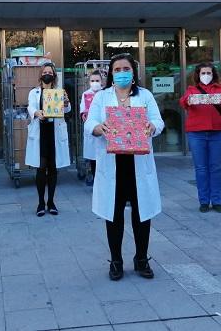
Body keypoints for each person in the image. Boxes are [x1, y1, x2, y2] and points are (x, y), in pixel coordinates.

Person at [85, 53, 164, 281]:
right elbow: (90, 122)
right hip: (113, 163)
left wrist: (152, 126)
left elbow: (158, 121)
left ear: (133, 72)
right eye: (117, 69)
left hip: (138, 161)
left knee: (142, 213)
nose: (121, 73)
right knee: (114, 213)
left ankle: (141, 258)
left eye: (125, 69)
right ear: (111, 73)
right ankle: (116, 260)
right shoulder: (102, 97)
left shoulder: (145, 95)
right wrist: (99, 127)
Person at [179, 62, 221, 213]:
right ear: (198, 75)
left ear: (213, 74)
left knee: (216, 168)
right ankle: (204, 201)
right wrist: (188, 100)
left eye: (208, 73)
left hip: (218, 133)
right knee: (201, 168)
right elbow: (183, 101)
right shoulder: (192, 90)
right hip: (196, 133)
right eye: (203, 73)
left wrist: (220, 98)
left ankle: (217, 200)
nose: (206, 76)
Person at [26, 63, 71, 217]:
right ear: (41, 75)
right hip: (40, 132)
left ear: (54, 75)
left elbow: (67, 110)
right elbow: (30, 107)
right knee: (41, 168)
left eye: (49, 72)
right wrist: (36, 112)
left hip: (54, 132)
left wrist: (66, 102)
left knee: (53, 168)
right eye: (44, 72)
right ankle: (40, 202)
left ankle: (51, 201)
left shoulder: (59, 92)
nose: (47, 74)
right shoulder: (34, 92)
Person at [80, 70, 104, 186]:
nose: (95, 83)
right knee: (93, 157)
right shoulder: (86, 94)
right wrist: (84, 115)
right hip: (92, 129)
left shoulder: (106, 93)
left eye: (97, 80)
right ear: (89, 82)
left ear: (102, 81)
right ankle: (95, 180)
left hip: (104, 129)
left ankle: (104, 181)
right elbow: (82, 109)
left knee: (104, 157)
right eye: (93, 81)